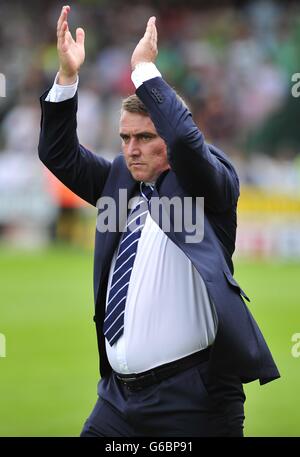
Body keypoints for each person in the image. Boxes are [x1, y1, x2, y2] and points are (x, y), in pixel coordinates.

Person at [38, 5, 280, 437]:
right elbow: (58, 154)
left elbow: (187, 143)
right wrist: (68, 77)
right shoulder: (118, 179)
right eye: (126, 137)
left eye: (146, 137)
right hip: (115, 402)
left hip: (193, 401)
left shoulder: (209, 184)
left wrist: (145, 71)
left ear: (167, 132)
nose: (131, 149)